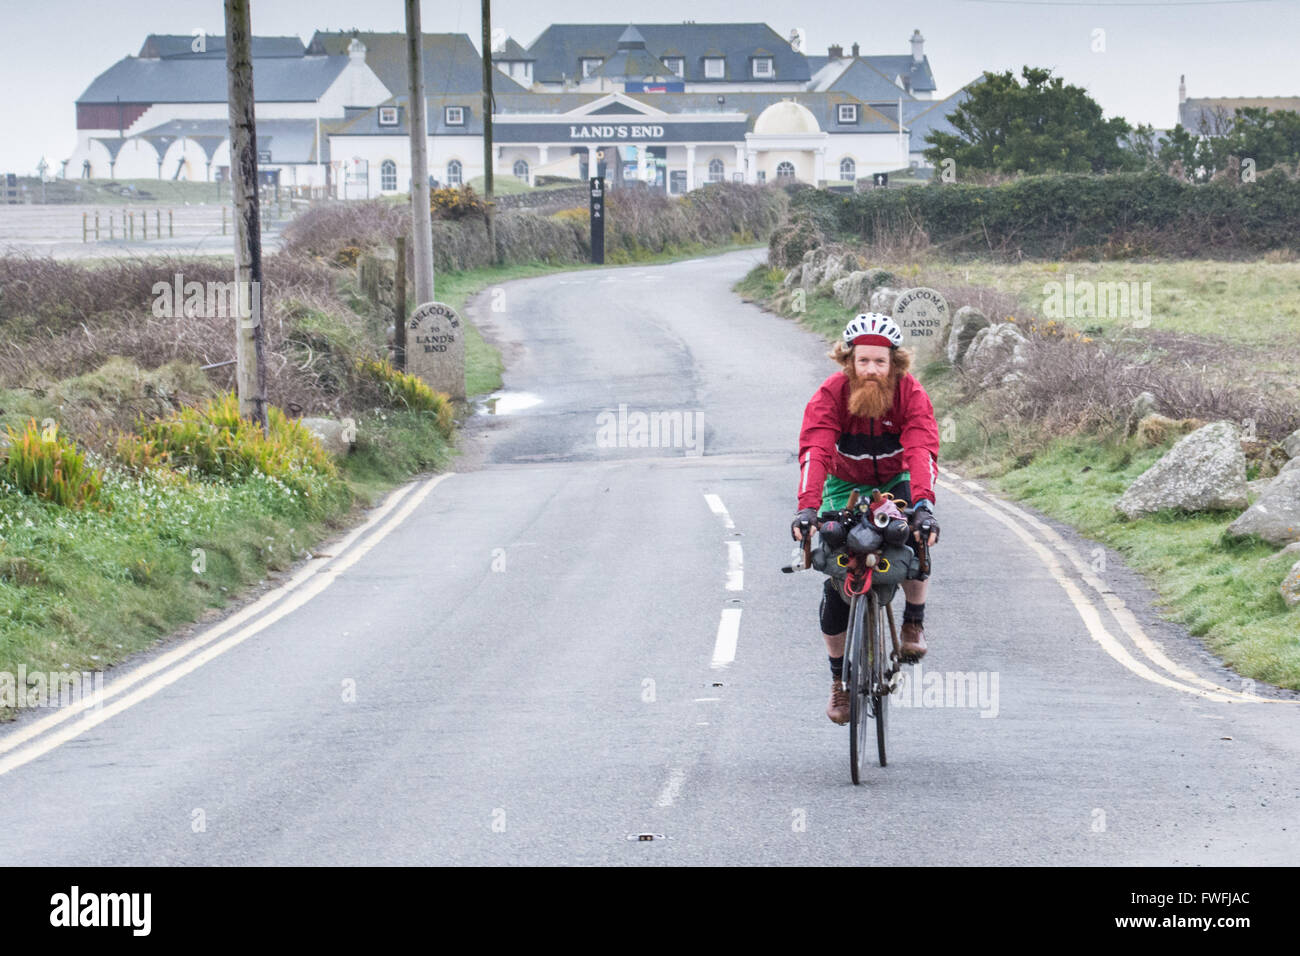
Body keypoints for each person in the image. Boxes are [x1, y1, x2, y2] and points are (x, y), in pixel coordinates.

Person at [791, 313, 941, 725]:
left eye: (880, 362)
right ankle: (838, 684)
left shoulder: (910, 393)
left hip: (897, 478)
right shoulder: (831, 393)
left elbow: (921, 448)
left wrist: (923, 506)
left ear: (895, 363)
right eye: (863, 362)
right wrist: (808, 507)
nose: (872, 370)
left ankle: (913, 623)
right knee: (837, 574)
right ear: (848, 362)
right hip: (843, 484)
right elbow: (815, 449)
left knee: (916, 539)